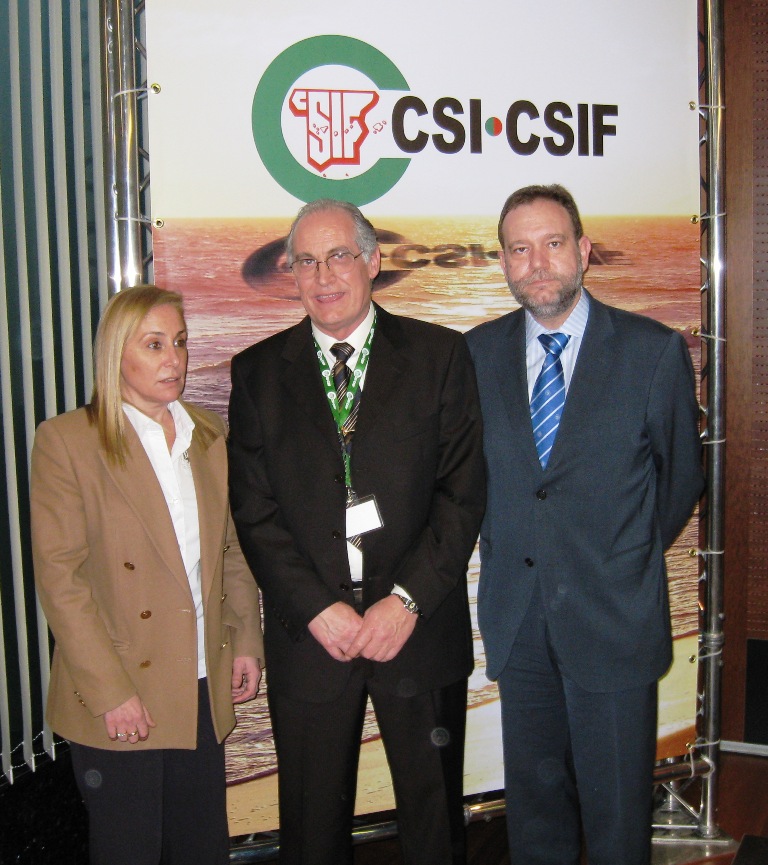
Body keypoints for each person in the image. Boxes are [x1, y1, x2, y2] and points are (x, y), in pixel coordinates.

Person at [227, 199, 485, 865]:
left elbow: (461, 495)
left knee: (434, 826)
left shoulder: (439, 356)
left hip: (417, 631)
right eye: (306, 261)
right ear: (290, 272)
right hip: (312, 641)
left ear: (372, 261)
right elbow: (254, 511)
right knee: (311, 830)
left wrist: (406, 601)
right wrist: (317, 607)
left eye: (339, 255)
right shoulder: (257, 374)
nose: (323, 276)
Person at [465, 185, 705, 865]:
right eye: (519, 248)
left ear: (584, 250)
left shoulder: (651, 351)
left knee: (617, 817)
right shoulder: (476, 354)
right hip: (520, 620)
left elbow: (680, 478)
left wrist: (620, 556)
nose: (537, 262)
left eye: (552, 243)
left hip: (613, 618)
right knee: (535, 815)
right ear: (504, 262)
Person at [30, 285, 264, 865]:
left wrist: (246, 640)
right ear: (117, 353)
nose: (174, 359)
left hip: (201, 679)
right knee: (129, 850)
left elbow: (231, 552)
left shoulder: (208, 435)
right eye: (154, 344)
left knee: (200, 848)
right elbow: (61, 581)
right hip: (122, 686)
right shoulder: (68, 442)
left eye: (179, 343)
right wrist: (111, 691)